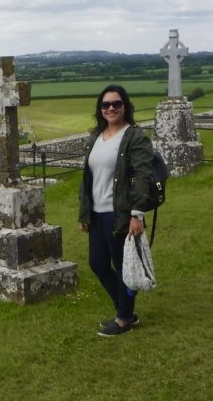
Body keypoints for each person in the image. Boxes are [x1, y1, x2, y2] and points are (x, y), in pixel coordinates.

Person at [78, 84, 154, 337]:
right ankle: (125, 308)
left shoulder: (134, 136)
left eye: (116, 104)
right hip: (97, 213)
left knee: (124, 267)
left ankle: (123, 319)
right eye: (106, 104)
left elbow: (143, 175)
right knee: (98, 263)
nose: (111, 108)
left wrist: (137, 214)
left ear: (125, 106)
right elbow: (88, 178)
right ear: (100, 109)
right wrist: (84, 213)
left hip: (119, 213)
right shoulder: (96, 136)